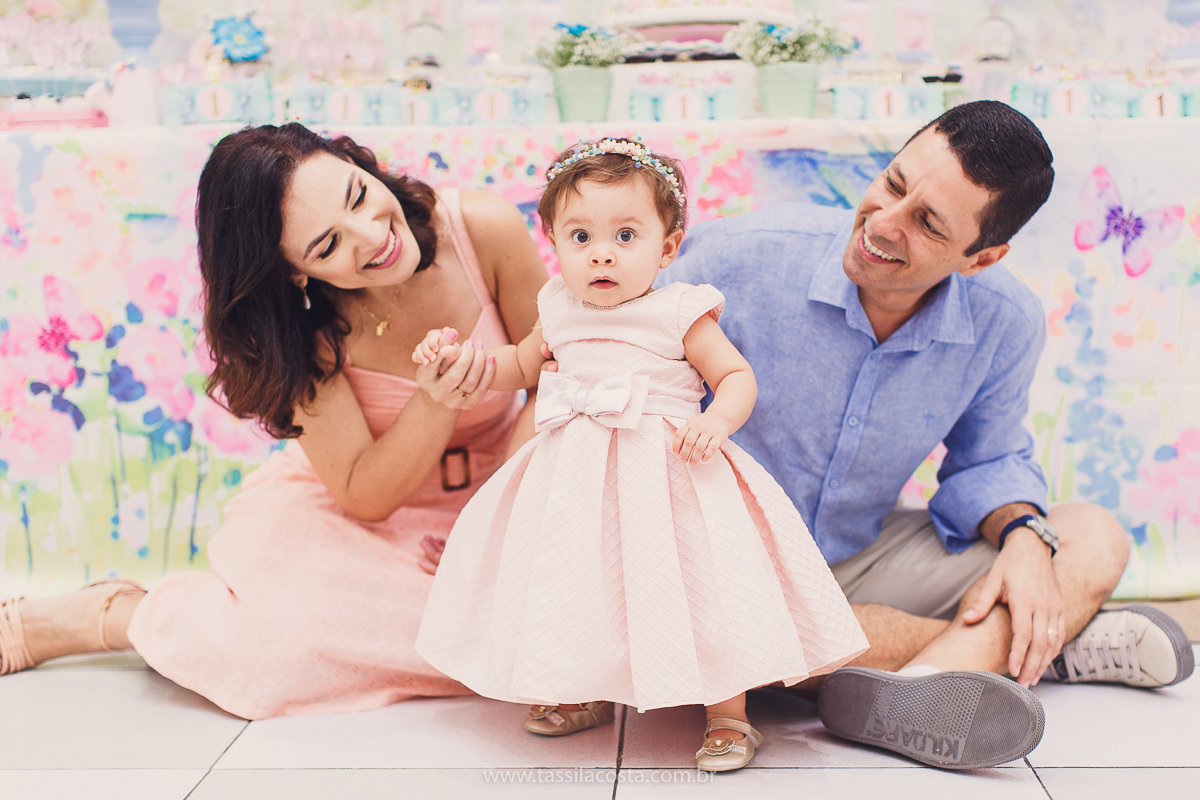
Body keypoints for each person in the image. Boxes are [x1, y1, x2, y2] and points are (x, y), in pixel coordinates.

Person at [657, 100, 1194, 769]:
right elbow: (594, 364)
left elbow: (989, 461)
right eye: (893, 183)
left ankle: (913, 691)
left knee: (1089, 536)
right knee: (734, 629)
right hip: (714, 569)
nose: (884, 223)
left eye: (928, 223)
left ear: (982, 257)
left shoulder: (1005, 321)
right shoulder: (737, 259)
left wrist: (1025, 537)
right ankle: (1040, 648)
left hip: (854, 557)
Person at [0, 123, 551, 720]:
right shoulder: (299, 333)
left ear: (359, 165)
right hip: (363, 516)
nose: (373, 237)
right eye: (327, 246)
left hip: (517, 481)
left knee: (529, 621)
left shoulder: (481, 229)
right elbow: (364, 494)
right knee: (289, 645)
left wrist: (495, 533)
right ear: (293, 272)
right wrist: (436, 401)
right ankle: (109, 617)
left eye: (358, 196)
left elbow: (557, 380)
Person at [410, 137, 869, 773]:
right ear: (554, 242)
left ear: (668, 247)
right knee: (579, 583)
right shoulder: (557, 308)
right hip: (576, 481)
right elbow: (517, 366)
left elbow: (736, 376)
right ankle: (583, 692)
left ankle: (729, 715)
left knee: (704, 589)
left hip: (670, 476)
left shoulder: (679, 311)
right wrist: (463, 362)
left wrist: (716, 420)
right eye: (581, 237)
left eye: (626, 236)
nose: (602, 253)